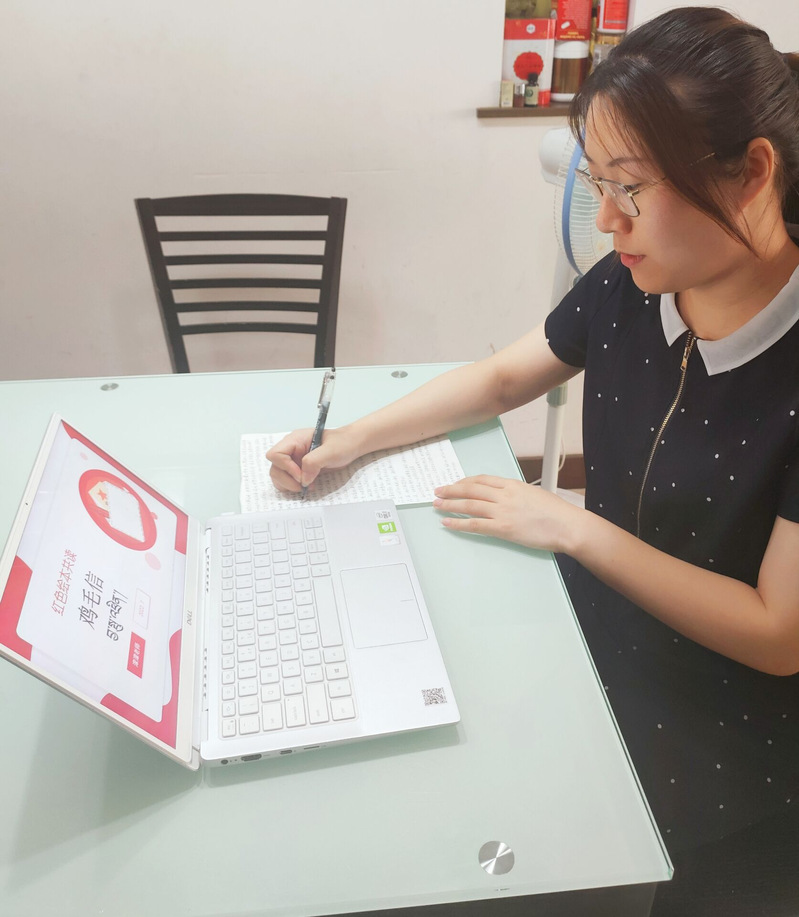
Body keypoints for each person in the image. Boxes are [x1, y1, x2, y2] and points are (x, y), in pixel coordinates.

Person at [268, 8, 799, 913]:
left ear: (750, 173)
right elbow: (504, 376)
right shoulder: (631, 285)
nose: (606, 219)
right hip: (595, 637)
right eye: (596, 182)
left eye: (630, 188)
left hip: (724, 730)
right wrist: (347, 441)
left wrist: (573, 527)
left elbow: (776, 632)